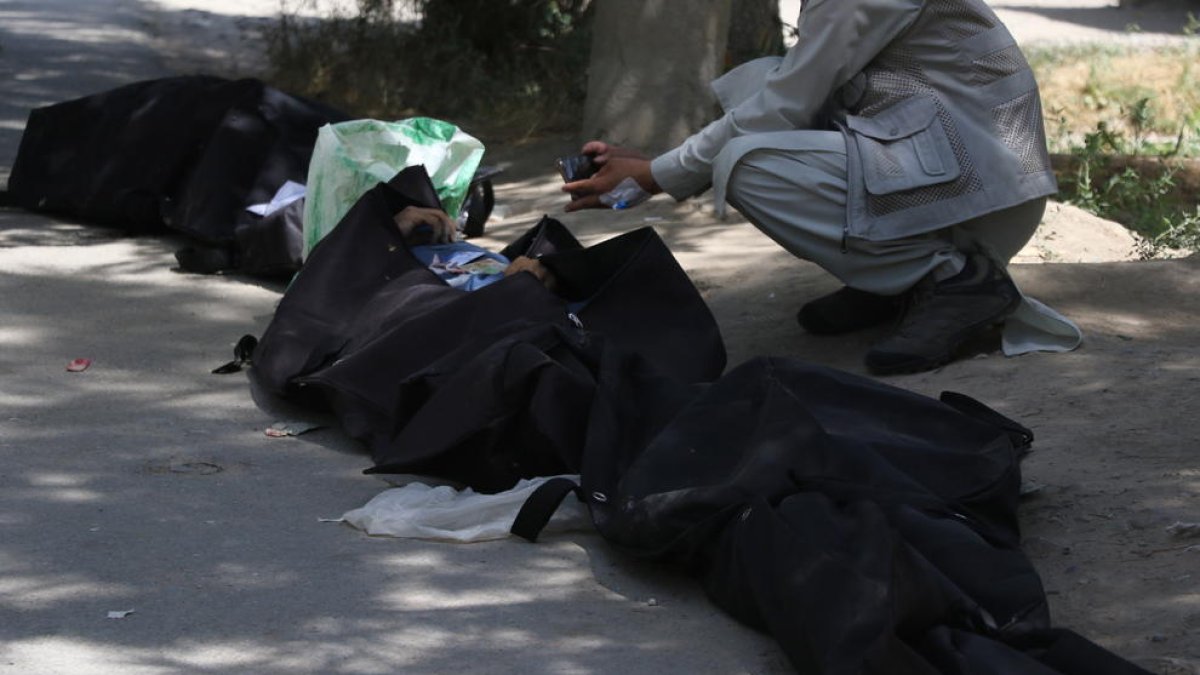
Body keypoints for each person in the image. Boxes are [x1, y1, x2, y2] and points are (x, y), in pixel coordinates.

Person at [562, 0, 1060, 375]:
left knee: (746, 163)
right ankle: (896, 281)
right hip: (952, 167)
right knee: (754, 82)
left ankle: (959, 279)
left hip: (985, 195)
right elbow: (789, 91)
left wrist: (654, 175)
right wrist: (657, 167)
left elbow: (783, 108)